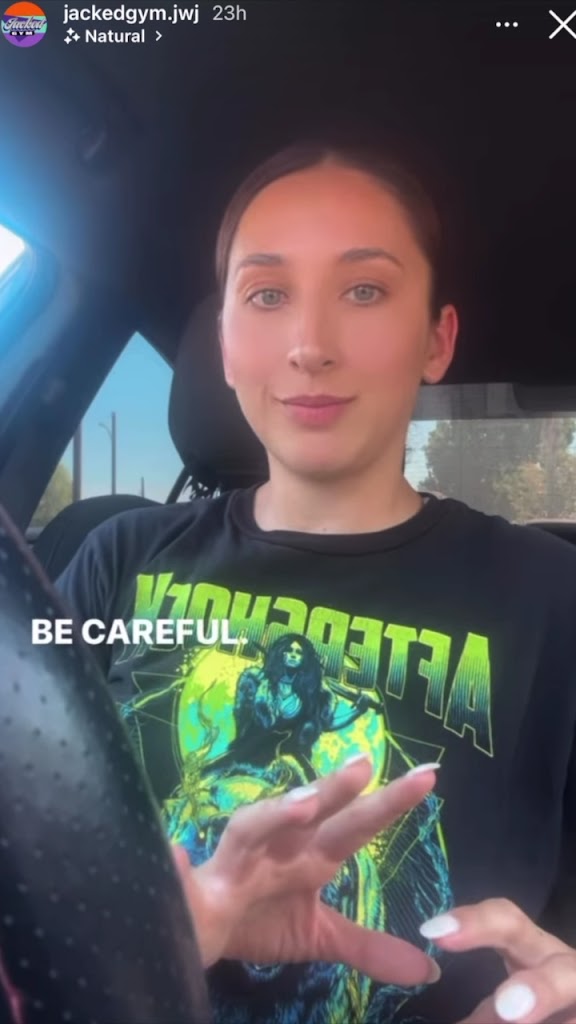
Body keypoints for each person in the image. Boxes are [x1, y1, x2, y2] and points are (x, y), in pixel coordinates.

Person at [55, 139, 576, 1024]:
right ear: (224, 345)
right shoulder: (116, 560)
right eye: (267, 295)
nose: (309, 346)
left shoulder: (554, 598)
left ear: (437, 339)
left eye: (364, 290)